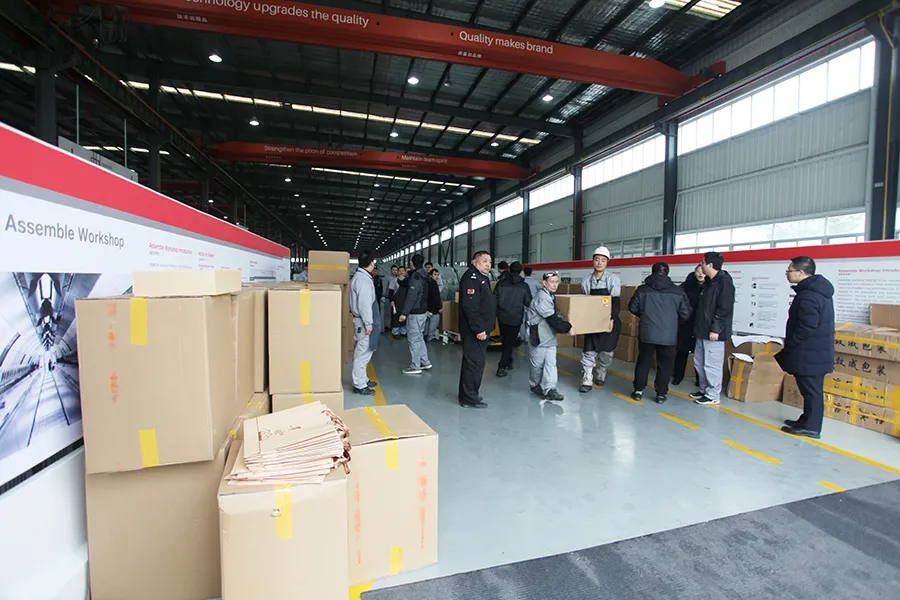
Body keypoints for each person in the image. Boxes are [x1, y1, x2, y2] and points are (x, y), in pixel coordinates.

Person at [775, 256, 835, 439]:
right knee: (810, 390)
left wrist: (791, 343)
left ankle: (812, 427)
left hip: (810, 353)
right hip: (814, 351)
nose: (787, 274)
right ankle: (807, 420)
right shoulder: (817, 291)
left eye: (790, 270)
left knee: (812, 391)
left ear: (801, 272)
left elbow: (807, 326)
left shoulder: (809, 295)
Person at [628, 262, 692, 404]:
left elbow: (632, 307)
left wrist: (645, 315)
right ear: (667, 273)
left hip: (647, 334)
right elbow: (686, 314)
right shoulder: (678, 292)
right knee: (665, 366)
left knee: (643, 362)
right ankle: (661, 394)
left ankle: (638, 391)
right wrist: (673, 322)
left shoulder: (642, 290)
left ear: (652, 272)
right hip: (669, 336)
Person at [691, 251, 735, 406]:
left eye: (703, 263)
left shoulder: (724, 283)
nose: (701, 265)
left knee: (712, 364)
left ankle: (713, 395)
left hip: (713, 333)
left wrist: (716, 329)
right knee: (699, 362)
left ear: (710, 265)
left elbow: (724, 309)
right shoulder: (710, 283)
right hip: (702, 330)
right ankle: (704, 390)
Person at [526, 271, 575, 401]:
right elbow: (553, 319)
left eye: (556, 282)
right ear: (544, 283)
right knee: (537, 366)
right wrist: (568, 327)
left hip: (549, 335)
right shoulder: (542, 297)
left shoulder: (551, 296)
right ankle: (535, 385)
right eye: (552, 282)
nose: (555, 285)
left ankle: (550, 389)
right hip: (538, 336)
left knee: (551, 363)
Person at [579, 246, 621, 393]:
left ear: (607, 263)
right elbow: (584, 302)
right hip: (592, 321)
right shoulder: (586, 281)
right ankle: (587, 378)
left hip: (608, 320)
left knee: (607, 351)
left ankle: (602, 370)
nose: (599, 263)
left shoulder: (613, 279)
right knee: (589, 350)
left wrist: (611, 320)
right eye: (597, 259)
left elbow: (615, 302)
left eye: (603, 260)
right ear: (593, 261)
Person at [457, 251, 496, 409]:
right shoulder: (471, 278)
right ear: (474, 262)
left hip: (481, 330)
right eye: (484, 261)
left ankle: (470, 393)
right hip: (474, 331)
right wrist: (478, 329)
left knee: (476, 363)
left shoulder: (481, 278)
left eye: (490, 262)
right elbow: (470, 307)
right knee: (473, 363)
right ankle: (469, 398)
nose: (488, 264)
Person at [494, 261, 533, 377]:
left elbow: (494, 299)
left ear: (509, 269)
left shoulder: (501, 284)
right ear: (520, 271)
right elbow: (528, 302)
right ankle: (501, 367)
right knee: (509, 342)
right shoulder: (524, 286)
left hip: (502, 317)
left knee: (506, 341)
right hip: (516, 318)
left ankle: (509, 360)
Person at [349, 253, 380, 396]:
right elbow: (364, 305)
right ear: (371, 263)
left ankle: (363, 379)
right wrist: (368, 324)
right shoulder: (363, 280)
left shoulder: (361, 277)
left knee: (364, 353)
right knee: (362, 354)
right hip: (363, 321)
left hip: (361, 320)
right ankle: (359, 385)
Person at [400, 254, 433, 375]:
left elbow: (412, 296)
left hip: (415, 312)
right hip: (423, 311)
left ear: (412, 264)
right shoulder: (424, 275)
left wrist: (404, 313)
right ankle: (425, 361)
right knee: (419, 337)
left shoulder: (416, 277)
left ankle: (415, 366)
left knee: (413, 339)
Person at [673, 265, 705, 386]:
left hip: (701, 325)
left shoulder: (710, 287)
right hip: (686, 324)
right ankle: (677, 376)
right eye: (698, 271)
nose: (701, 274)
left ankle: (699, 379)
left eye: (703, 272)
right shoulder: (685, 287)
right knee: (682, 352)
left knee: (700, 354)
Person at [390, 267, 409, 338]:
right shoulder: (394, 281)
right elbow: (390, 291)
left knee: (404, 315)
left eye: (403, 270)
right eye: (399, 271)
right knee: (396, 316)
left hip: (405, 301)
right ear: (397, 272)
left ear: (405, 272)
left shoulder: (408, 281)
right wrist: (391, 300)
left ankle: (403, 332)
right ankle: (395, 332)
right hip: (396, 301)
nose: (401, 272)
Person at [425, 268, 443, 342]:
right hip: (434, 308)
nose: (437, 276)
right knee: (434, 322)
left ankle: (425, 335)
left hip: (427, 307)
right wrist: (439, 307)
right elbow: (436, 297)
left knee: (427, 322)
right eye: (435, 275)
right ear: (431, 275)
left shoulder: (427, 283)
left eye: (438, 275)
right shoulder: (434, 284)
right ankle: (431, 337)